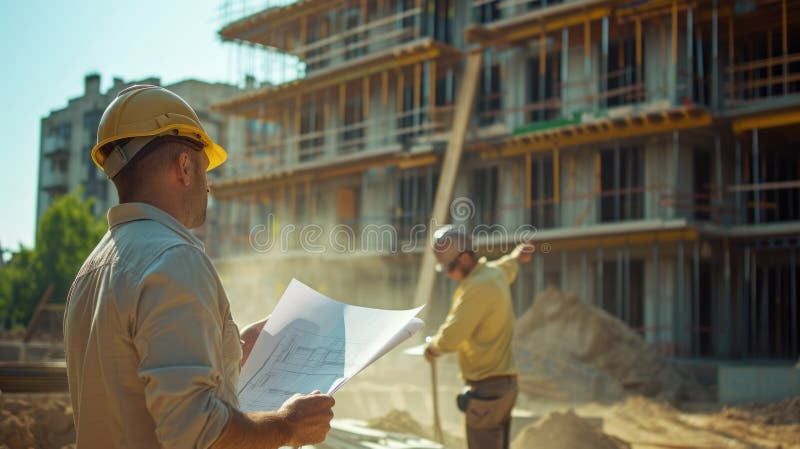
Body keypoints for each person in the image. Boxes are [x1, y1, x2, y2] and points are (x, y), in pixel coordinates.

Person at [64, 85, 334, 449]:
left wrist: (232, 350)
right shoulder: (174, 258)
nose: (209, 186)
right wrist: (288, 424)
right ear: (185, 166)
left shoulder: (91, 270)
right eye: (206, 169)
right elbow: (197, 431)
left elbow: (137, 374)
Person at [424, 228, 534, 449]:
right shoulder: (493, 274)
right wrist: (517, 256)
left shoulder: (477, 287)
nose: (447, 273)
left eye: (450, 266)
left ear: (465, 258)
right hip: (504, 387)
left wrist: (432, 347)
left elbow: (452, 337)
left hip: (487, 389)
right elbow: (508, 265)